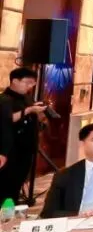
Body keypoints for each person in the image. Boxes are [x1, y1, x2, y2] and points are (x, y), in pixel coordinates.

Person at [0, 68, 47, 203]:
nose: (30, 86)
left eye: (33, 83)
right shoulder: (4, 100)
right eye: (27, 82)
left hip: (26, 148)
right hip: (10, 150)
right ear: (15, 81)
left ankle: (12, 206)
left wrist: (38, 112)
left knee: (17, 183)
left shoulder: (26, 98)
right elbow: (8, 119)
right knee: (6, 184)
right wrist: (29, 110)